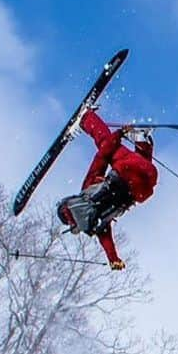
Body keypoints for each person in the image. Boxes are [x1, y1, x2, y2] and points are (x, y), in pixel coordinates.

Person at [56, 110, 158, 270]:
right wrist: (118, 134)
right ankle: (86, 118)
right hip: (130, 167)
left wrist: (113, 259)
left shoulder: (94, 223)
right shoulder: (86, 191)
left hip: (146, 184)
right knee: (106, 145)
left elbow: (106, 240)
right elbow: (102, 155)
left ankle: (141, 140)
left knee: (133, 173)